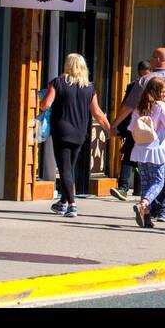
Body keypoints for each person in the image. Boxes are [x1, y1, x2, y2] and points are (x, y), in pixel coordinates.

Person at [113, 48, 165, 223]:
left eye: (152, 57)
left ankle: (147, 212)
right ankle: (161, 208)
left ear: (158, 59)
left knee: (147, 177)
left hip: (143, 142)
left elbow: (128, 106)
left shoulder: (143, 81)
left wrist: (116, 123)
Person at [40, 53, 112, 218]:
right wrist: (110, 129)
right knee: (69, 168)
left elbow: (45, 105)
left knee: (65, 169)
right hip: (80, 133)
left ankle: (72, 205)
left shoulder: (57, 82)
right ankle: (62, 202)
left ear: (67, 65)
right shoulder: (89, 87)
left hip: (61, 131)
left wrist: (42, 101)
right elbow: (97, 113)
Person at [129, 75, 165, 229]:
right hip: (156, 148)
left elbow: (131, 128)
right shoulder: (160, 106)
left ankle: (146, 218)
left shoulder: (139, 106)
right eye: (163, 92)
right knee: (158, 181)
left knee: (146, 183)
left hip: (140, 149)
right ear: (156, 91)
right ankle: (143, 204)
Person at [111, 60, 150, 202]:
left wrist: (121, 128)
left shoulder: (134, 85)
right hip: (148, 128)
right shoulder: (154, 86)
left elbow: (125, 107)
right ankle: (140, 189)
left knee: (129, 156)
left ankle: (124, 187)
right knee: (140, 158)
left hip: (135, 127)